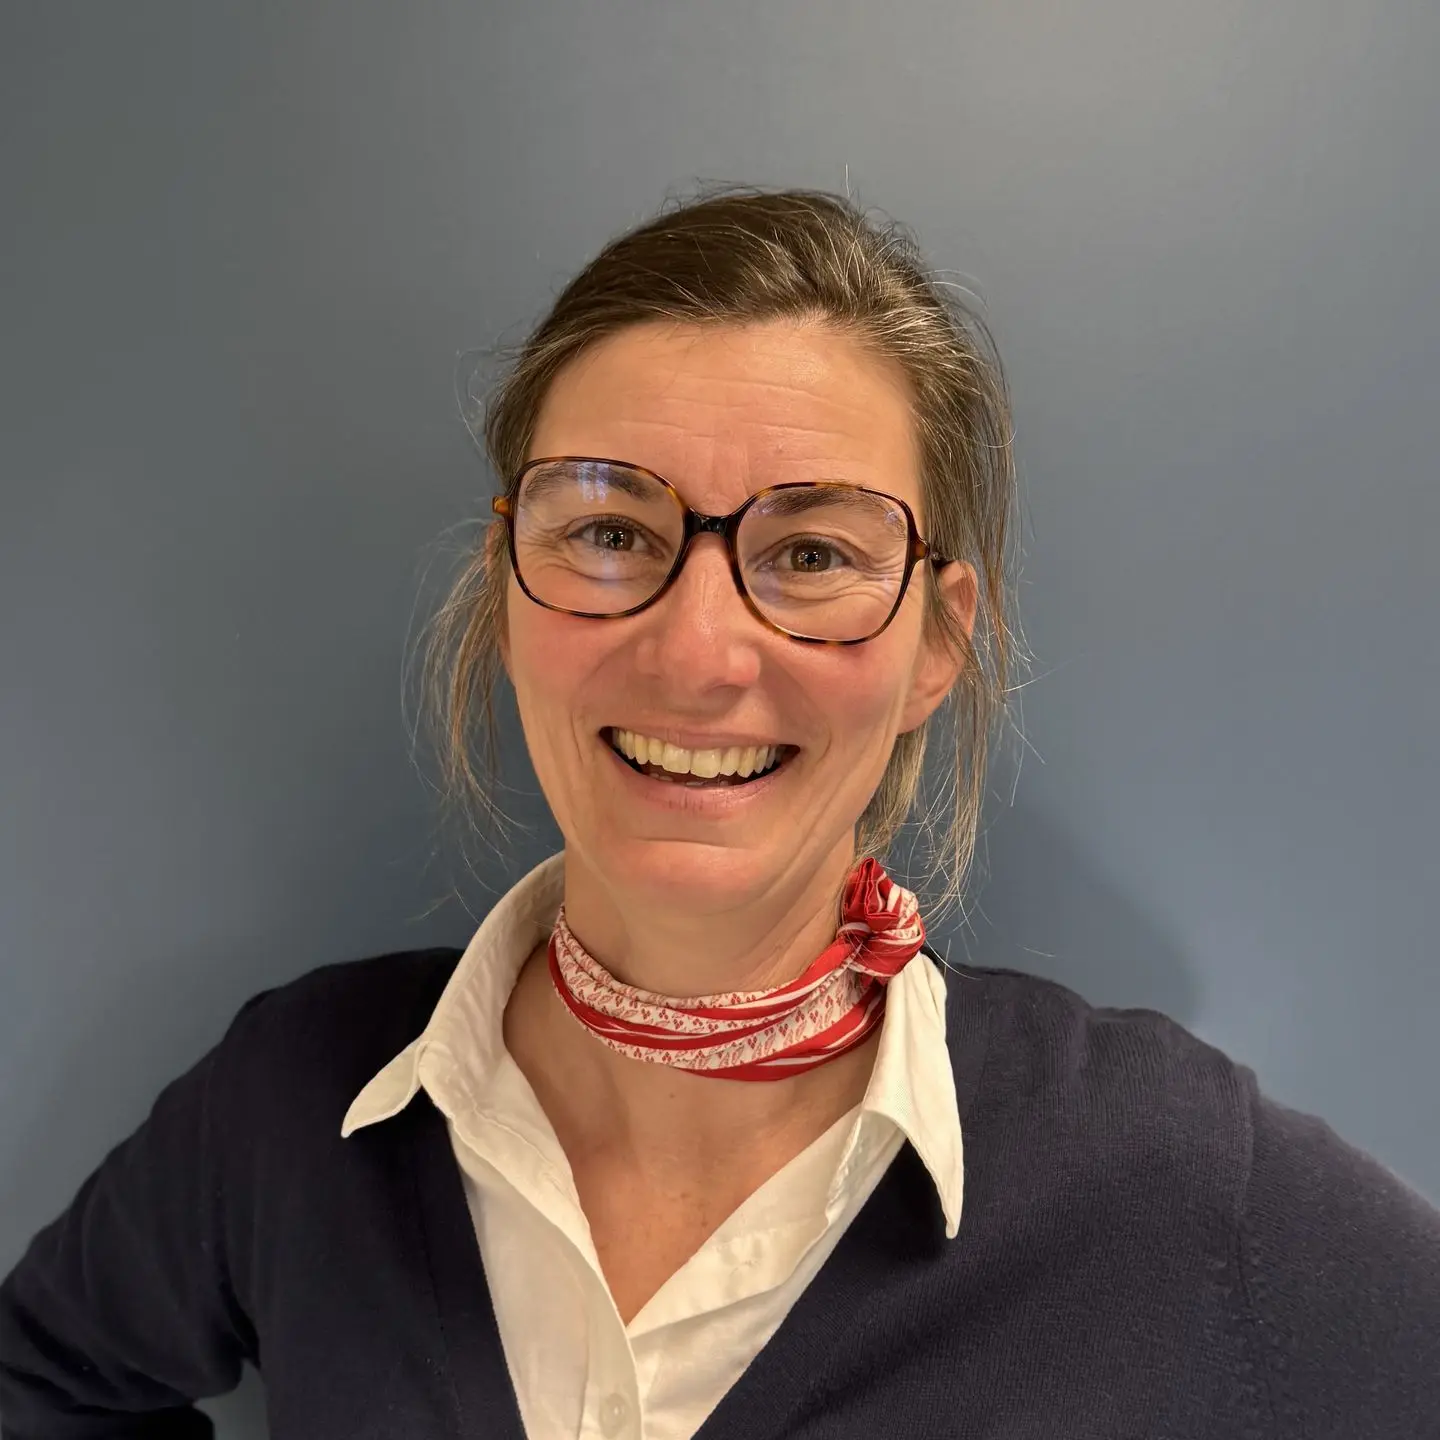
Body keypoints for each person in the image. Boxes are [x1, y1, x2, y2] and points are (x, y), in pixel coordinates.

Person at [2, 188, 1438, 1440]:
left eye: (811, 553)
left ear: (937, 644)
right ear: (505, 589)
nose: (697, 655)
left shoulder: (1171, 1177)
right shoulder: (291, 1105)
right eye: (610, 531)